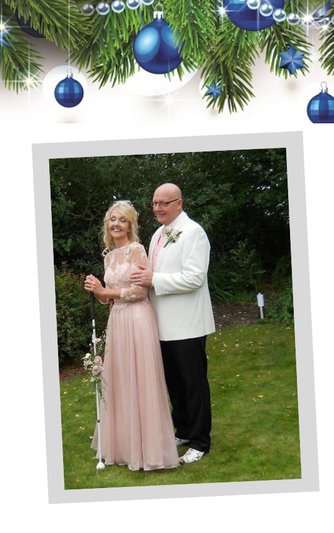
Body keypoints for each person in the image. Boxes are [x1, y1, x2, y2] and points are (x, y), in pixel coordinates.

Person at [84, 201, 179, 471]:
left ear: (130, 225)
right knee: (121, 381)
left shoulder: (137, 251)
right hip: (118, 320)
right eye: (112, 219)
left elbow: (140, 291)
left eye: (122, 220)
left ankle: (149, 450)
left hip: (137, 319)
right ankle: (125, 447)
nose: (116, 224)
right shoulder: (109, 256)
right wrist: (100, 293)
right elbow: (109, 299)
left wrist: (105, 292)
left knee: (142, 380)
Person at [129, 183, 215, 465]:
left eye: (163, 203)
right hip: (161, 323)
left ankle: (201, 441)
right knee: (174, 383)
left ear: (179, 203)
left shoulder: (193, 232)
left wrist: (154, 279)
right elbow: (150, 274)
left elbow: (194, 278)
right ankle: (184, 431)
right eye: (154, 203)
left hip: (187, 323)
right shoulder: (157, 234)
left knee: (194, 383)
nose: (157, 208)